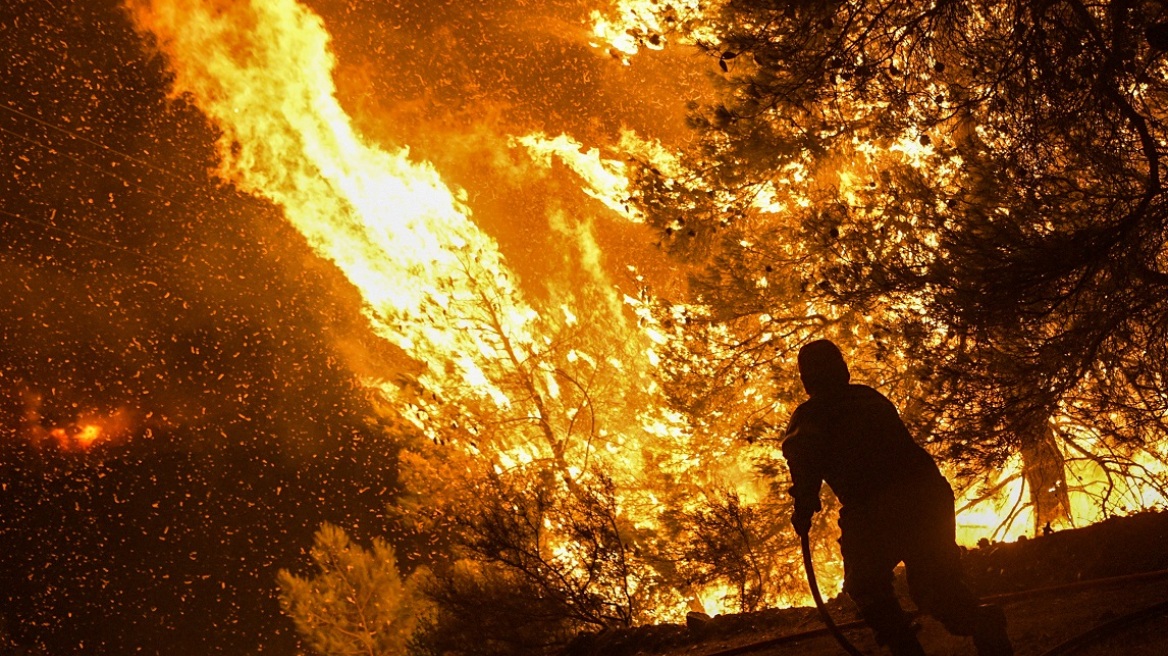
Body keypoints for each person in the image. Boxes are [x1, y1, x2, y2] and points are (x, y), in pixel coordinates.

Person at [781, 339, 1013, 656]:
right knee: (935, 586)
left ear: (807, 381)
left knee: (866, 585)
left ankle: (908, 650)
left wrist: (803, 512)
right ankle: (982, 623)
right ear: (844, 371)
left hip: (876, 508)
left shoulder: (808, 420)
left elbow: (805, 477)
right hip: (928, 496)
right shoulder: (870, 398)